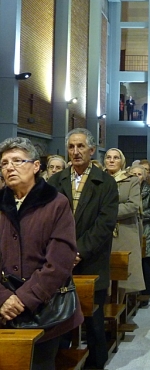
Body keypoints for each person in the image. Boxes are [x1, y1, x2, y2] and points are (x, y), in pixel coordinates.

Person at [0, 138, 83, 370]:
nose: (9, 168)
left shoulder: (56, 204)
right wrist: (4, 298)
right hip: (3, 308)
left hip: (46, 309)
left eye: (17, 161)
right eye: (4, 163)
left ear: (36, 166)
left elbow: (59, 262)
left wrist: (23, 298)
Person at [48, 128, 118, 369]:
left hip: (91, 260)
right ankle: (63, 361)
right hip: (59, 261)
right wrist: (62, 252)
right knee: (59, 318)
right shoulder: (55, 181)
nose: (75, 152)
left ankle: (97, 363)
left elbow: (105, 223)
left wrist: (78, 252)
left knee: (93, 320)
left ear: (91, 150)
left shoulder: (105, 182)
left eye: (80, 147)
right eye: (71, 147)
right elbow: (47, 221)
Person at [104, 148, 145, 299]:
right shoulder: (99, 179)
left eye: (116, 158)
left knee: (122, 274)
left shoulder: (131, 180)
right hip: (103, 231)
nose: (112, 160)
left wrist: (106, 212)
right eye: (108, 157)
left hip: (125, 230)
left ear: (122, 161)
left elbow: (133, 205)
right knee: (105, 273)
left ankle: (119, 304)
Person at [129, 164, 150, 305]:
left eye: (139, 174)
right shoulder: (127, 189)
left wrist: (139, 215)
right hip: (131, 230)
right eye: (133, 174)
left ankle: (146, 293)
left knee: (145, 262)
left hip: (146, 229)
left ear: (145, 176)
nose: (136, 177)